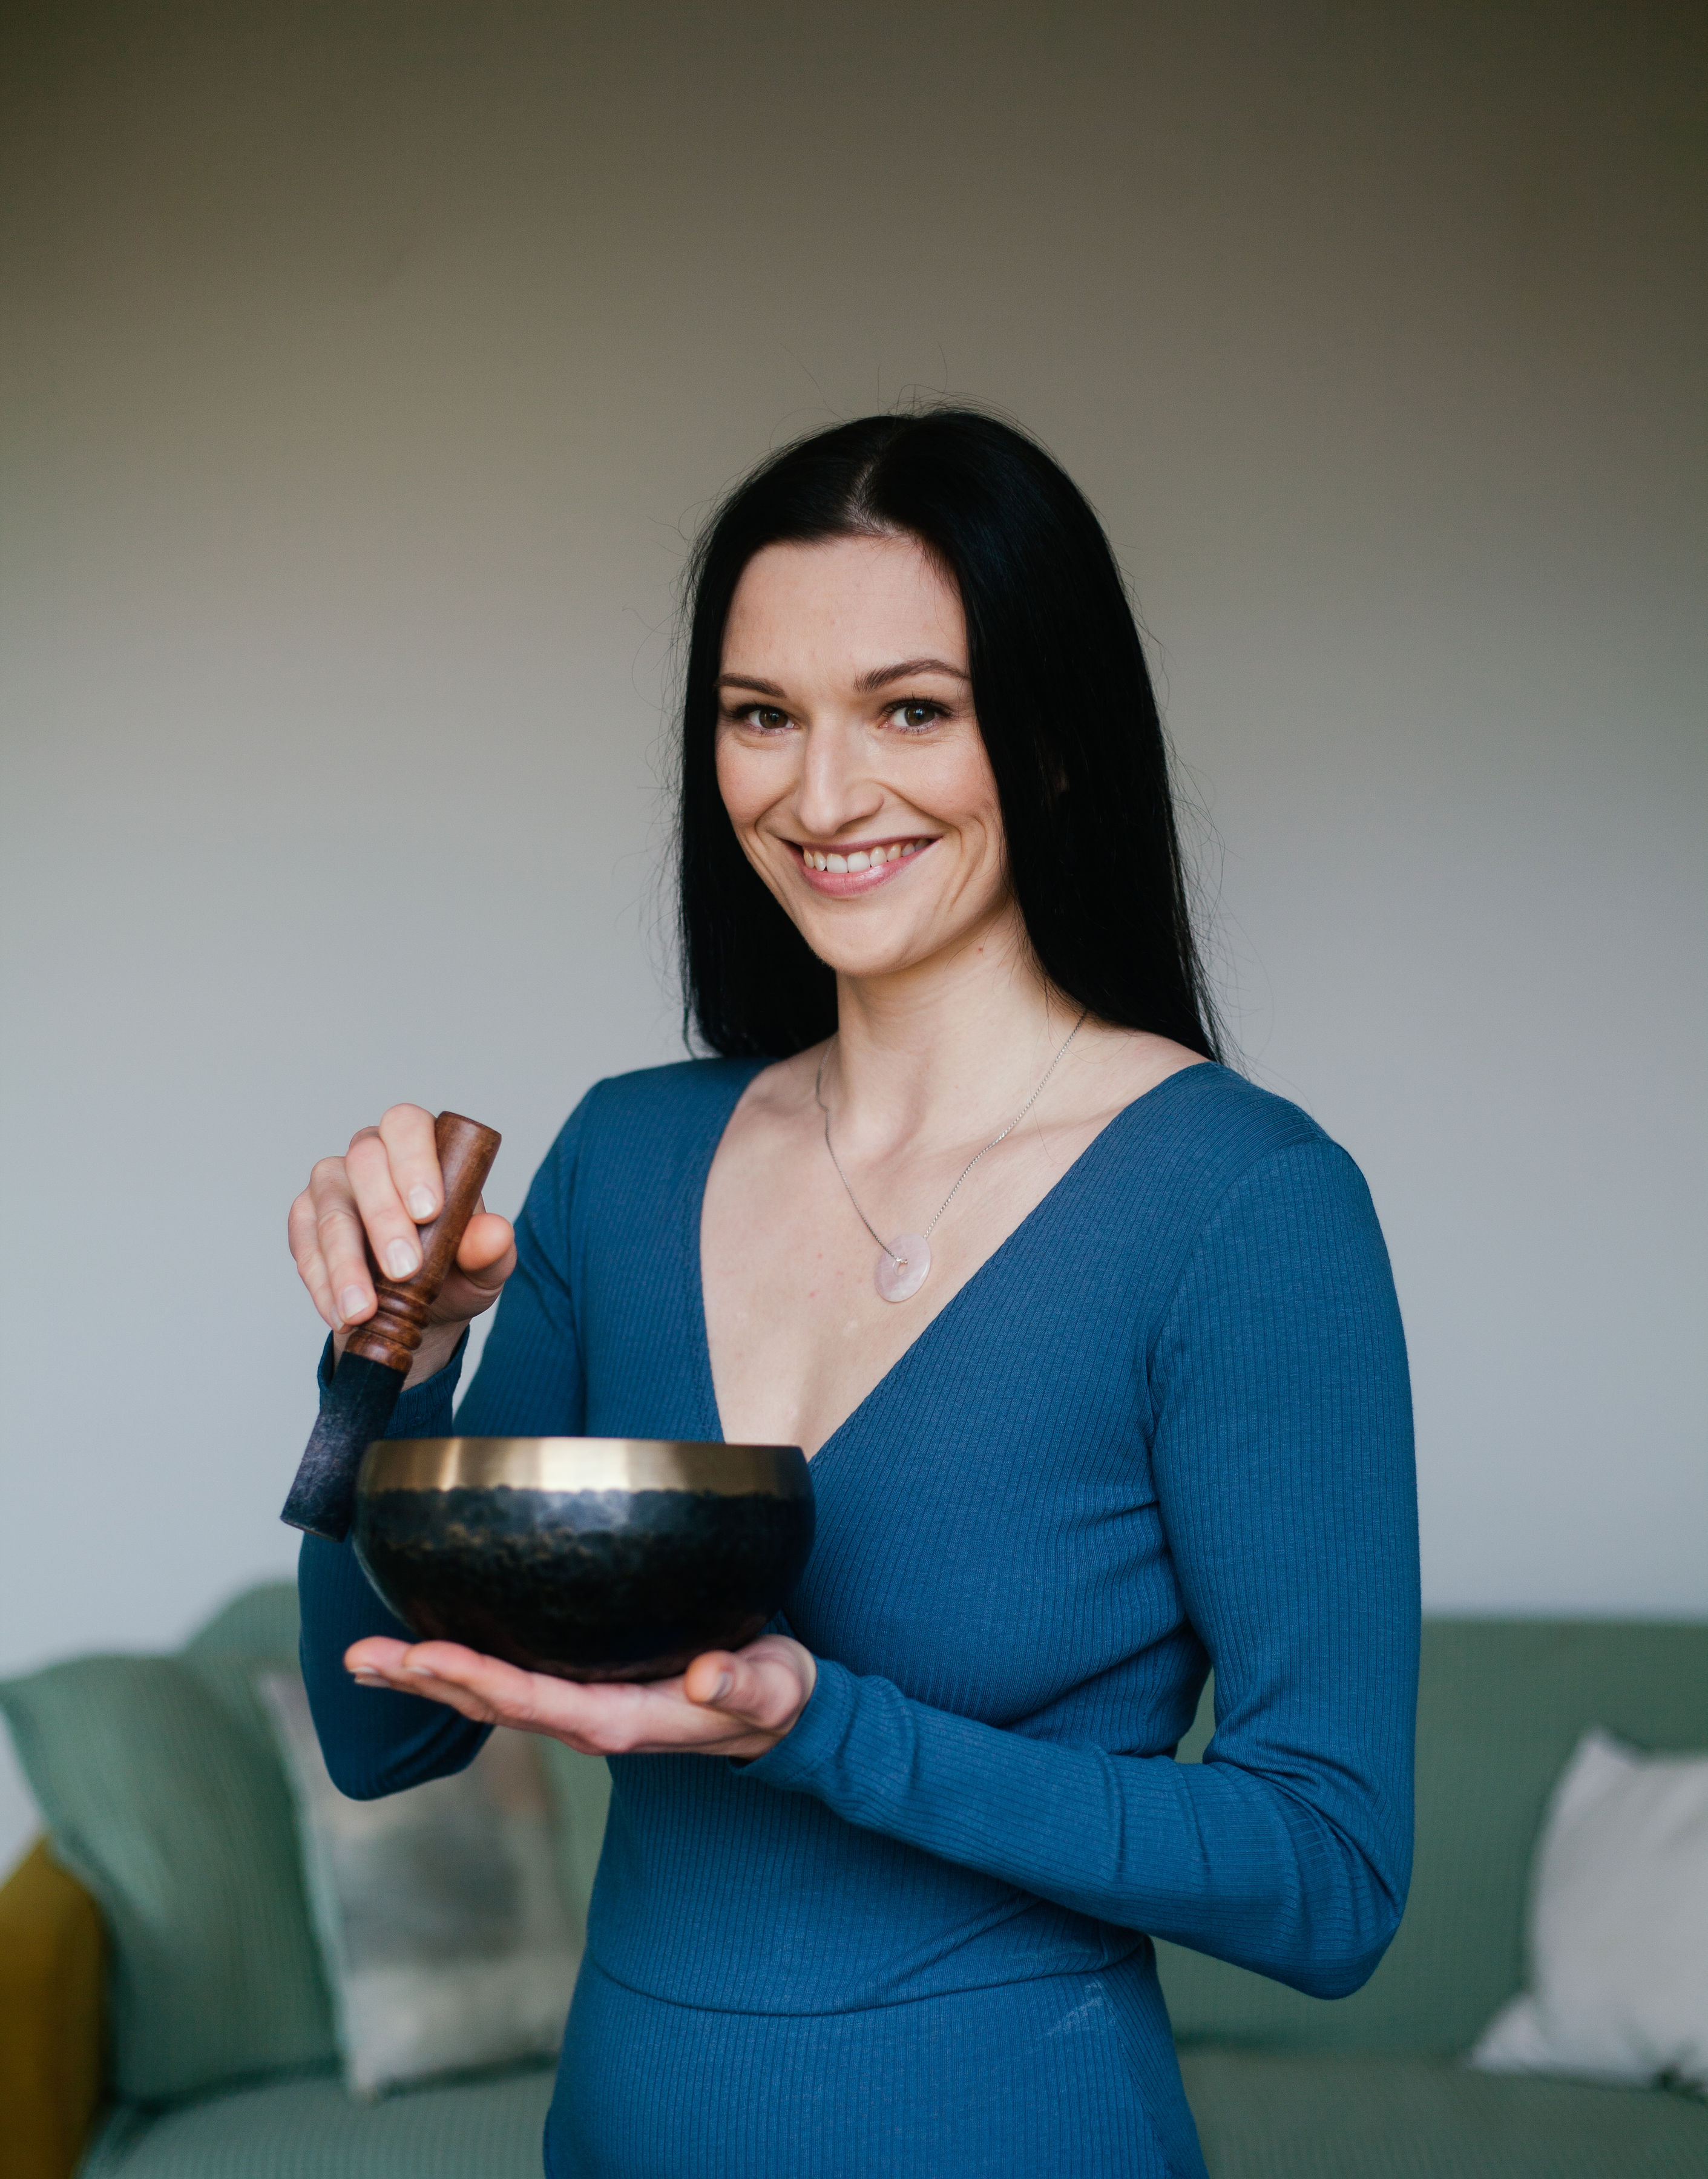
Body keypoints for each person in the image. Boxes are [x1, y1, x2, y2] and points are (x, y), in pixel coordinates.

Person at [291, 409, 1419, 2179]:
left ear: (1053, 738)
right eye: (763, 716)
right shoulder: (625, 1157)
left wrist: (827, 1730)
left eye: (912, 710)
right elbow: (382, 1727)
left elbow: (1333, 1880)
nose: (821, 799)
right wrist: (393, 1362)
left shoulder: (1241, 1204)